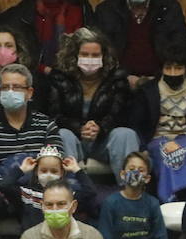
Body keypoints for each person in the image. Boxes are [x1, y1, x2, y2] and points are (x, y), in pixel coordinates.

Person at [44, 28, 140, 181]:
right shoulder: (59, 77)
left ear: (104, 56)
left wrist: (100, 128)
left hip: (104, 141)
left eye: (95, 55)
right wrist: (79, 128)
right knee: (62, 134)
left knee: (126, 134)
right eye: (84, 54)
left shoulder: (117, 78)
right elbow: (53, 115)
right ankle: (68, 192)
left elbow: (121, 115)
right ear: (75, 56)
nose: (90, 59)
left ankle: (130, 189)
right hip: (74, 140)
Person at [134, 41, 186, 203]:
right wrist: (143, 148)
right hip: (157, 140)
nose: (173, 73)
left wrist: (183, 143)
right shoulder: (147, 91)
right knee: (167, 153)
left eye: (178, 68)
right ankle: (169, 199)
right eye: (168, 68)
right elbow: (136, 124)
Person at [0, 64, 61, 195]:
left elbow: (57, 164)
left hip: (42, 192)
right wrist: (4, 187)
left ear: (29, 93)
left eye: (17, 87)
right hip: (4, 191)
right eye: (5, 87)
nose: (10, 91)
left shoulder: (47, 125)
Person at [98, 151, 168, 239]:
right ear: (123, 174)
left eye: (141, 170)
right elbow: (106, 236)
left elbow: (160, 236)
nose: (135, 172)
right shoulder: (111, 202)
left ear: (147, 178)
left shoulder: (152, 203)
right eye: (131, 169)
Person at [95, 0, 186, 88]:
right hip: (117, 83)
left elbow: (181, 47)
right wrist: (121, 77)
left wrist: (161, 78)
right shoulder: (106, 10)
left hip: (162, 83)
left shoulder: (169, 8)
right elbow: (100, 52)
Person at [0, 0, 97, 72]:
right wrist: (43, 70)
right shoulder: (17, 17)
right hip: (34, 81)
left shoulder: (81, 10)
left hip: (74, 80)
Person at [13, 144, 94, 232]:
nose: (48, 175)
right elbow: (4, 186)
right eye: (44, 171)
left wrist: (76, 170)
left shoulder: (68, 195)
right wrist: (22, 169)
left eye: (54, 171)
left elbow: (90, 191)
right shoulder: (27, 194)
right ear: (36, 172)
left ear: (61, 173)